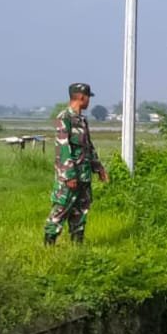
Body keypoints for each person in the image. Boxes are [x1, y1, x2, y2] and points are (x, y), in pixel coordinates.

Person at [43, 83, 109, 245]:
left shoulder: (81, 120)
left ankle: (77, 247)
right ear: (81, 97)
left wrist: (98, 168)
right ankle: (48, 245)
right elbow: (63, 147)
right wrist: (69, 175)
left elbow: (88, 146)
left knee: (81, 211)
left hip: (84, 175)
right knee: (61, 209)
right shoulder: (64, 117)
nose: (88, 101)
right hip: (70, 176)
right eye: (87, 97)